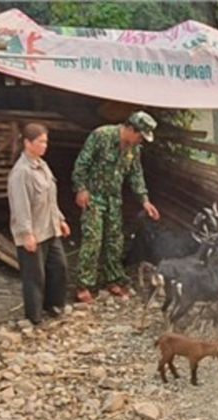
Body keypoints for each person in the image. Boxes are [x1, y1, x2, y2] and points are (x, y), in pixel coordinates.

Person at [72, 110, 160, 303]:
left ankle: (112, 279)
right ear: (130, 128)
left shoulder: (133, 149)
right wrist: (81, 189)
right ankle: (84, 285)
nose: (140, 140)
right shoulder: (101, 135)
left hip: (114, 199)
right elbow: (81, 164)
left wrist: (144, 200)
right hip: (93, 197)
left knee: (115, 241)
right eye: (139, 135)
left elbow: (136, 175)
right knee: (93, 240)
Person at [7, 123, 70, 324]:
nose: (45, 145)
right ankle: (34, 317)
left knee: (59, 267)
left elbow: (51, 198)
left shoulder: (42, 165)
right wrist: (26, 233)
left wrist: (60, 220)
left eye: (46, 141)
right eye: (41, 141)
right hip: (33, 232)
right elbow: (20, 205)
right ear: (27, 143)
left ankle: (54, 306)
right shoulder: (21, 172)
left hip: (50, 228)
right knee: (35, 276)